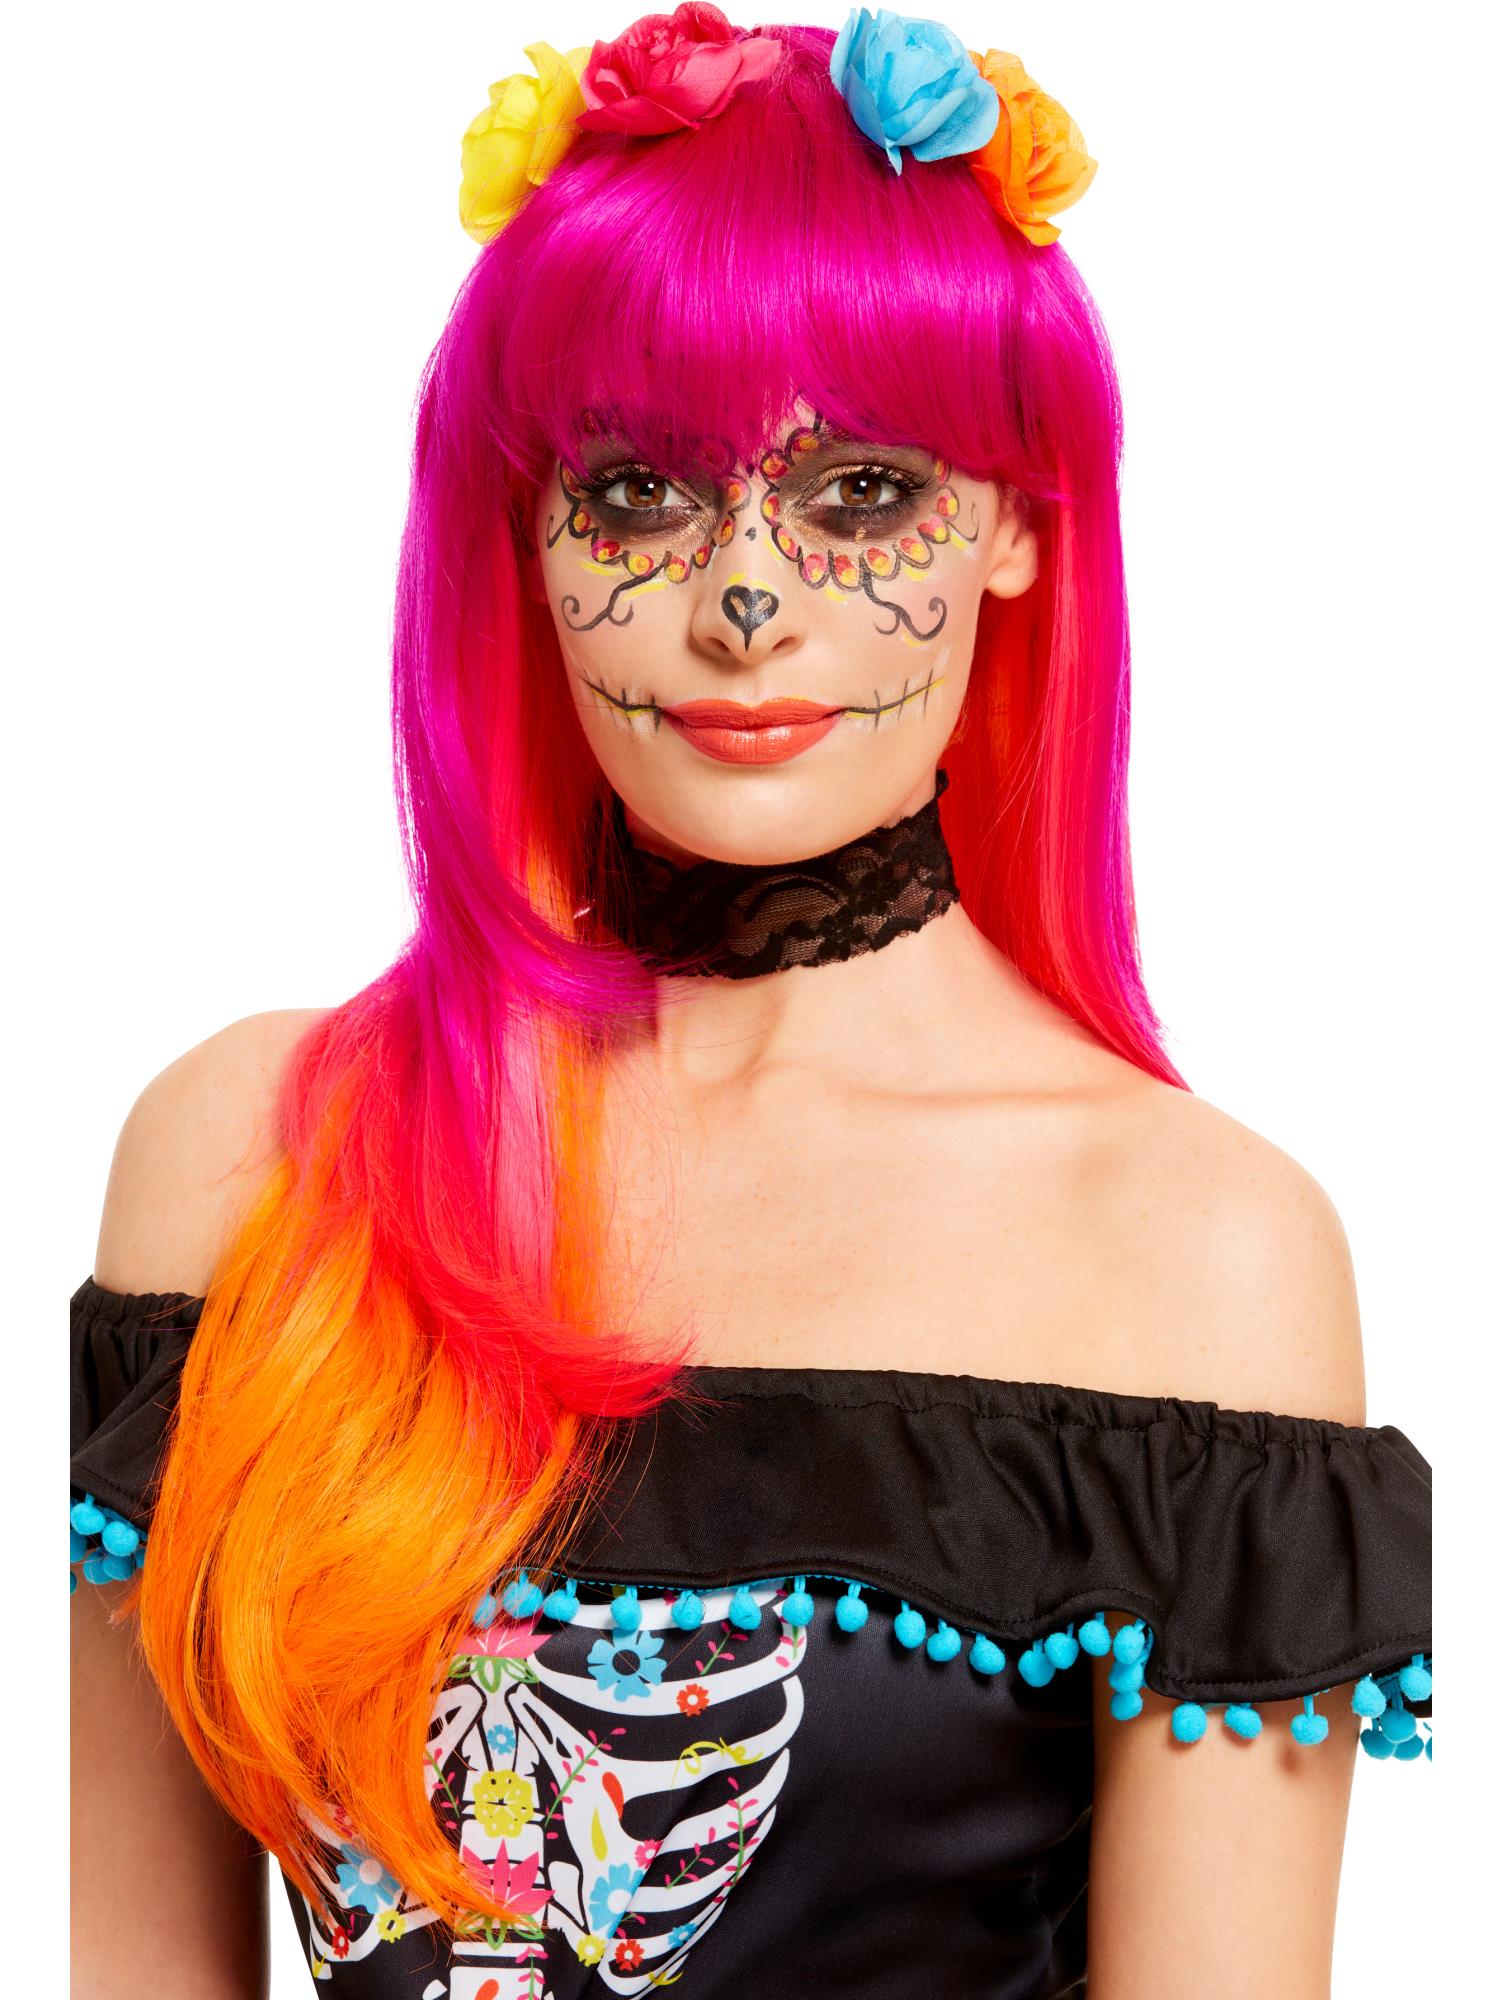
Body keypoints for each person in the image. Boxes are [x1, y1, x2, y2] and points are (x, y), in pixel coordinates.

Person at [70, 10, 1432, 1997]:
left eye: (862, 492)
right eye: (637, 489)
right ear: (522, 530)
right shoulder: (253, 1154)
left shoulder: (1194, 1247)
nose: (744, 599)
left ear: (1022, 521)